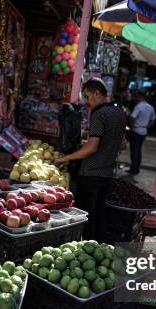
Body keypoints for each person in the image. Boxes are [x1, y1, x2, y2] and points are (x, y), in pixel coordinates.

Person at [54, 78, 127, 242]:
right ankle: (98, 250)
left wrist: (68, 157)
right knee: (100, 217)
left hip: (90, 175)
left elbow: (92, 147)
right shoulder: (120, 113)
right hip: (107, 175)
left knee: (86, 219)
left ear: (97, 93)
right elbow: (122, 143)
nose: (87, 102)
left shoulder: (99, 114)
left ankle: (84, 249)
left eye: (87, 97)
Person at [128, 91, 156, 175]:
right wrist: (147, 126)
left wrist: (132, 127)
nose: (135, 98)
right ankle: (136, 168)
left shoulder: (139, 106)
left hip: (136, 131)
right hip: (144, 131)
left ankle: (134, 169)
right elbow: (153, 119)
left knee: (134, 151)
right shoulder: (150, 107)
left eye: (137, 96)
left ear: (140, 97)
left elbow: (132, 117)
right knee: (138, 150)